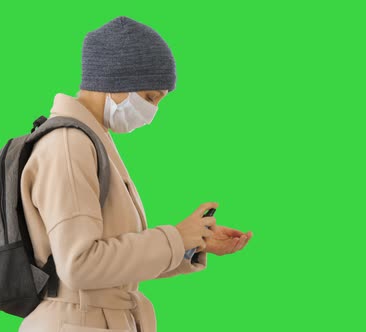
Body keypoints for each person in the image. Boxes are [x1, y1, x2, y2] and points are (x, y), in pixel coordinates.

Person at [18, 16, 253, 332]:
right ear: (115, 80)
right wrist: (175, 236)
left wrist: (192, 243)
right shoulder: (68, 144)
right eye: (150, 97)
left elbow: (112, 265)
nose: (153, 112)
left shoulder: (90, 140)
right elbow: (79, 264)